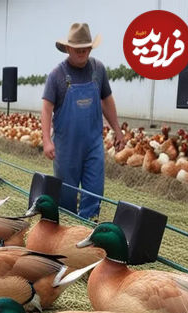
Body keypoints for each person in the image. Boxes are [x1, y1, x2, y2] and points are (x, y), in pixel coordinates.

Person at [41, 23, 126, 221]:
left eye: (86, 48)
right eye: (78, 49)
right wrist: (46, 139)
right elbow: (46, 108)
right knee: (66, 194)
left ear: (91, 48)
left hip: (93, 143)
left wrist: (118, 130)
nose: (82, 52)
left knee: (95, 190)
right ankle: (68, 230)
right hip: (66, 146)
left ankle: (88, 225)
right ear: (68, 48)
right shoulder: (57, 75)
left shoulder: (98, 70)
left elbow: (107, 100)